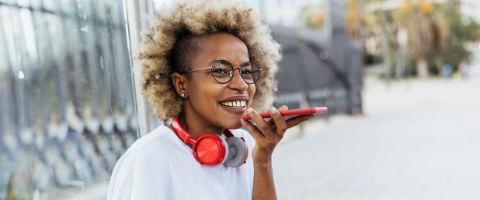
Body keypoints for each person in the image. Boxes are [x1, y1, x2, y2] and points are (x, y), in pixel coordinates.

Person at [107, 1, 313, 199]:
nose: (241, 84)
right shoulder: (149, 157)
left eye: (246, 71)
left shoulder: (246, 145)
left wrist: (263, 159)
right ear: (181, 85)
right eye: (221, 71)